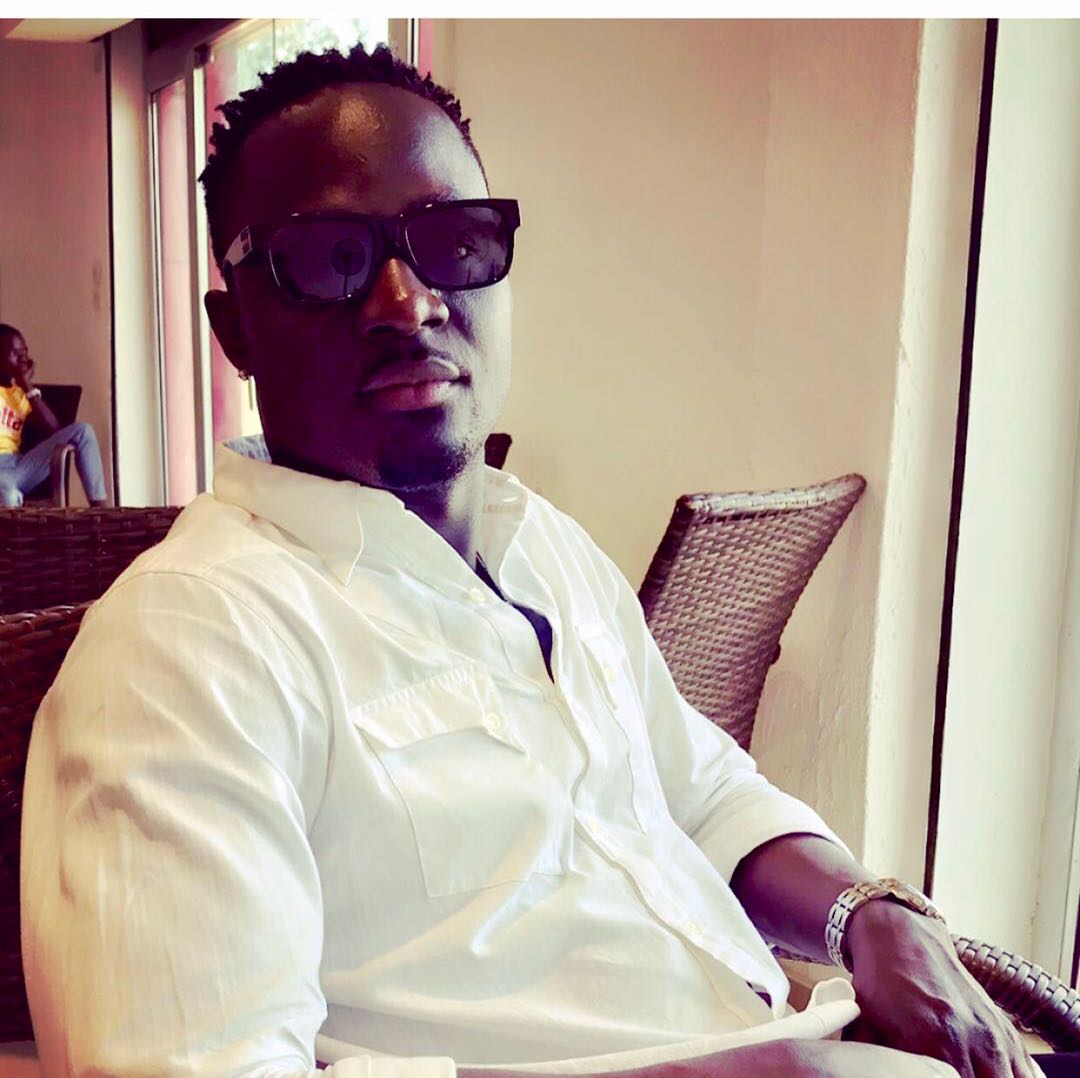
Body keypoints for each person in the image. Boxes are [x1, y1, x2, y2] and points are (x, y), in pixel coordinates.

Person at [20, 43, 1058, 1078]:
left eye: (452, 241)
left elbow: (698, 789)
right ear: (234, 328)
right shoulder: (186, 652)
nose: (406, 300)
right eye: (331, 258)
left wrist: (867, 913)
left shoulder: (544, 546)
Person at [0, 323, 108, 507]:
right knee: (8, 495)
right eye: (15, 353)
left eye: (24, 352)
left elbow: (54, 429)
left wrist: (27, 385)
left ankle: (101, 512)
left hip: (20, 466)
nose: (23, 358)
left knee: (83, 431)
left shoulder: (21, 394)